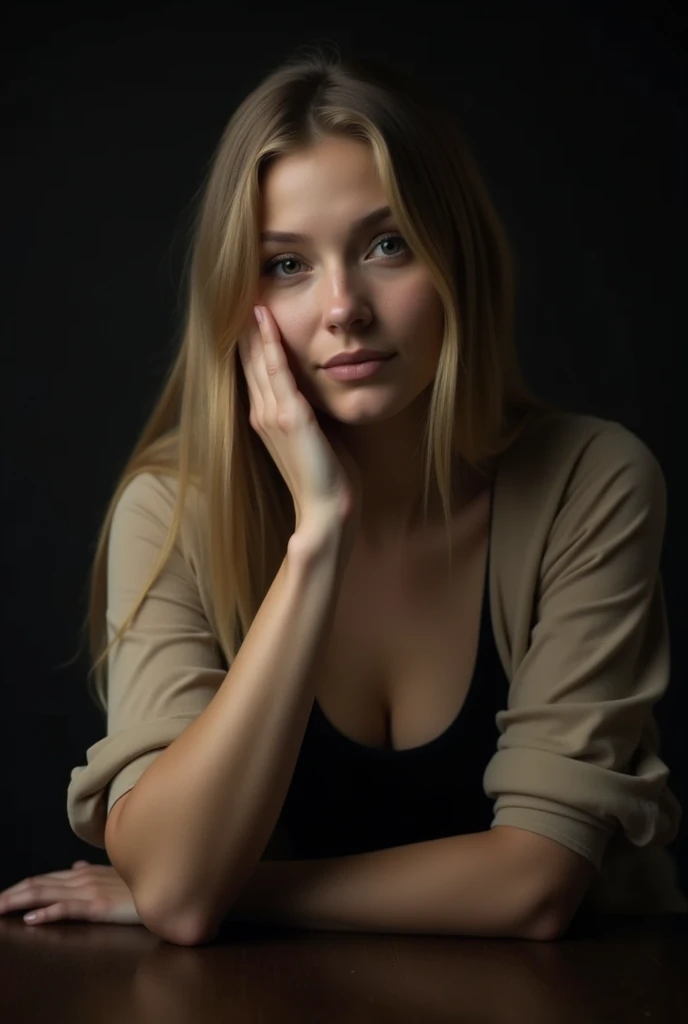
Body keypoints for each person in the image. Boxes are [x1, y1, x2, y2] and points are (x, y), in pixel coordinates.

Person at [1, 45, 684, 944]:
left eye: (387, 245)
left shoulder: (587, 483)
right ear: (235, 297)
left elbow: (535, 883)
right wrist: (317, 536)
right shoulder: (171, 514)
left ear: (458, 262)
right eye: (286, 265)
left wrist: (235, 891)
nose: (343, 307)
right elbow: (175, 883)